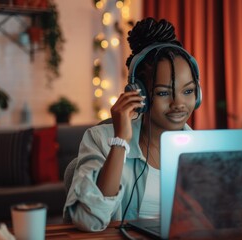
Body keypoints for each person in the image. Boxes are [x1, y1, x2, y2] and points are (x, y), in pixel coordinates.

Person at [63, 17, 201, 232]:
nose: (179, 104)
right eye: (163, 92)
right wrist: (120, 142)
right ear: (139, 94)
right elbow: (87, 220)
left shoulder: (200, 149)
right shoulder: (99, 139)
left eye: (188, 91)